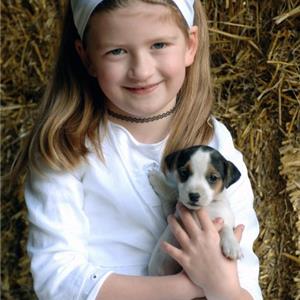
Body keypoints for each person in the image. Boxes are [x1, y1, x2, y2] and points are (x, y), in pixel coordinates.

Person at [13, 0, 262, 299]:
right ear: (87, 57)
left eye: (158, 44)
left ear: (190, 45)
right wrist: (193, 286)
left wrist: (222, 287)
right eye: (117, 51)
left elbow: (245, 284)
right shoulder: (66, 146)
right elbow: (58, 279)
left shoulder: (216, 144)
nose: (141, 71)